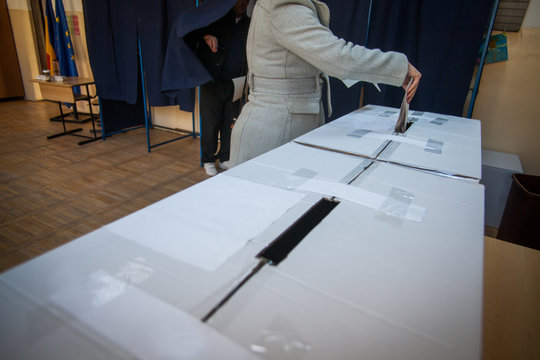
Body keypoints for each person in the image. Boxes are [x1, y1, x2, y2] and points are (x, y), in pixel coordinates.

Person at [229, 0, 421, 167]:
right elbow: (339, 58)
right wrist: (398, 67)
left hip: (283, 124)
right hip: (273, 132)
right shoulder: (284, 6)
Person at [194, 0, 250, 176]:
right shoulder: (215, 18)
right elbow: (192, 33)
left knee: (230, 121)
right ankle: (208, 159)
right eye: (240, 0)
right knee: (211, 123)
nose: (243, 3)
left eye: (246, 0)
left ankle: (225, 156)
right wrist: (206, 37)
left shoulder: (248, 23)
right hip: (213, 81)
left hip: (236, 82)